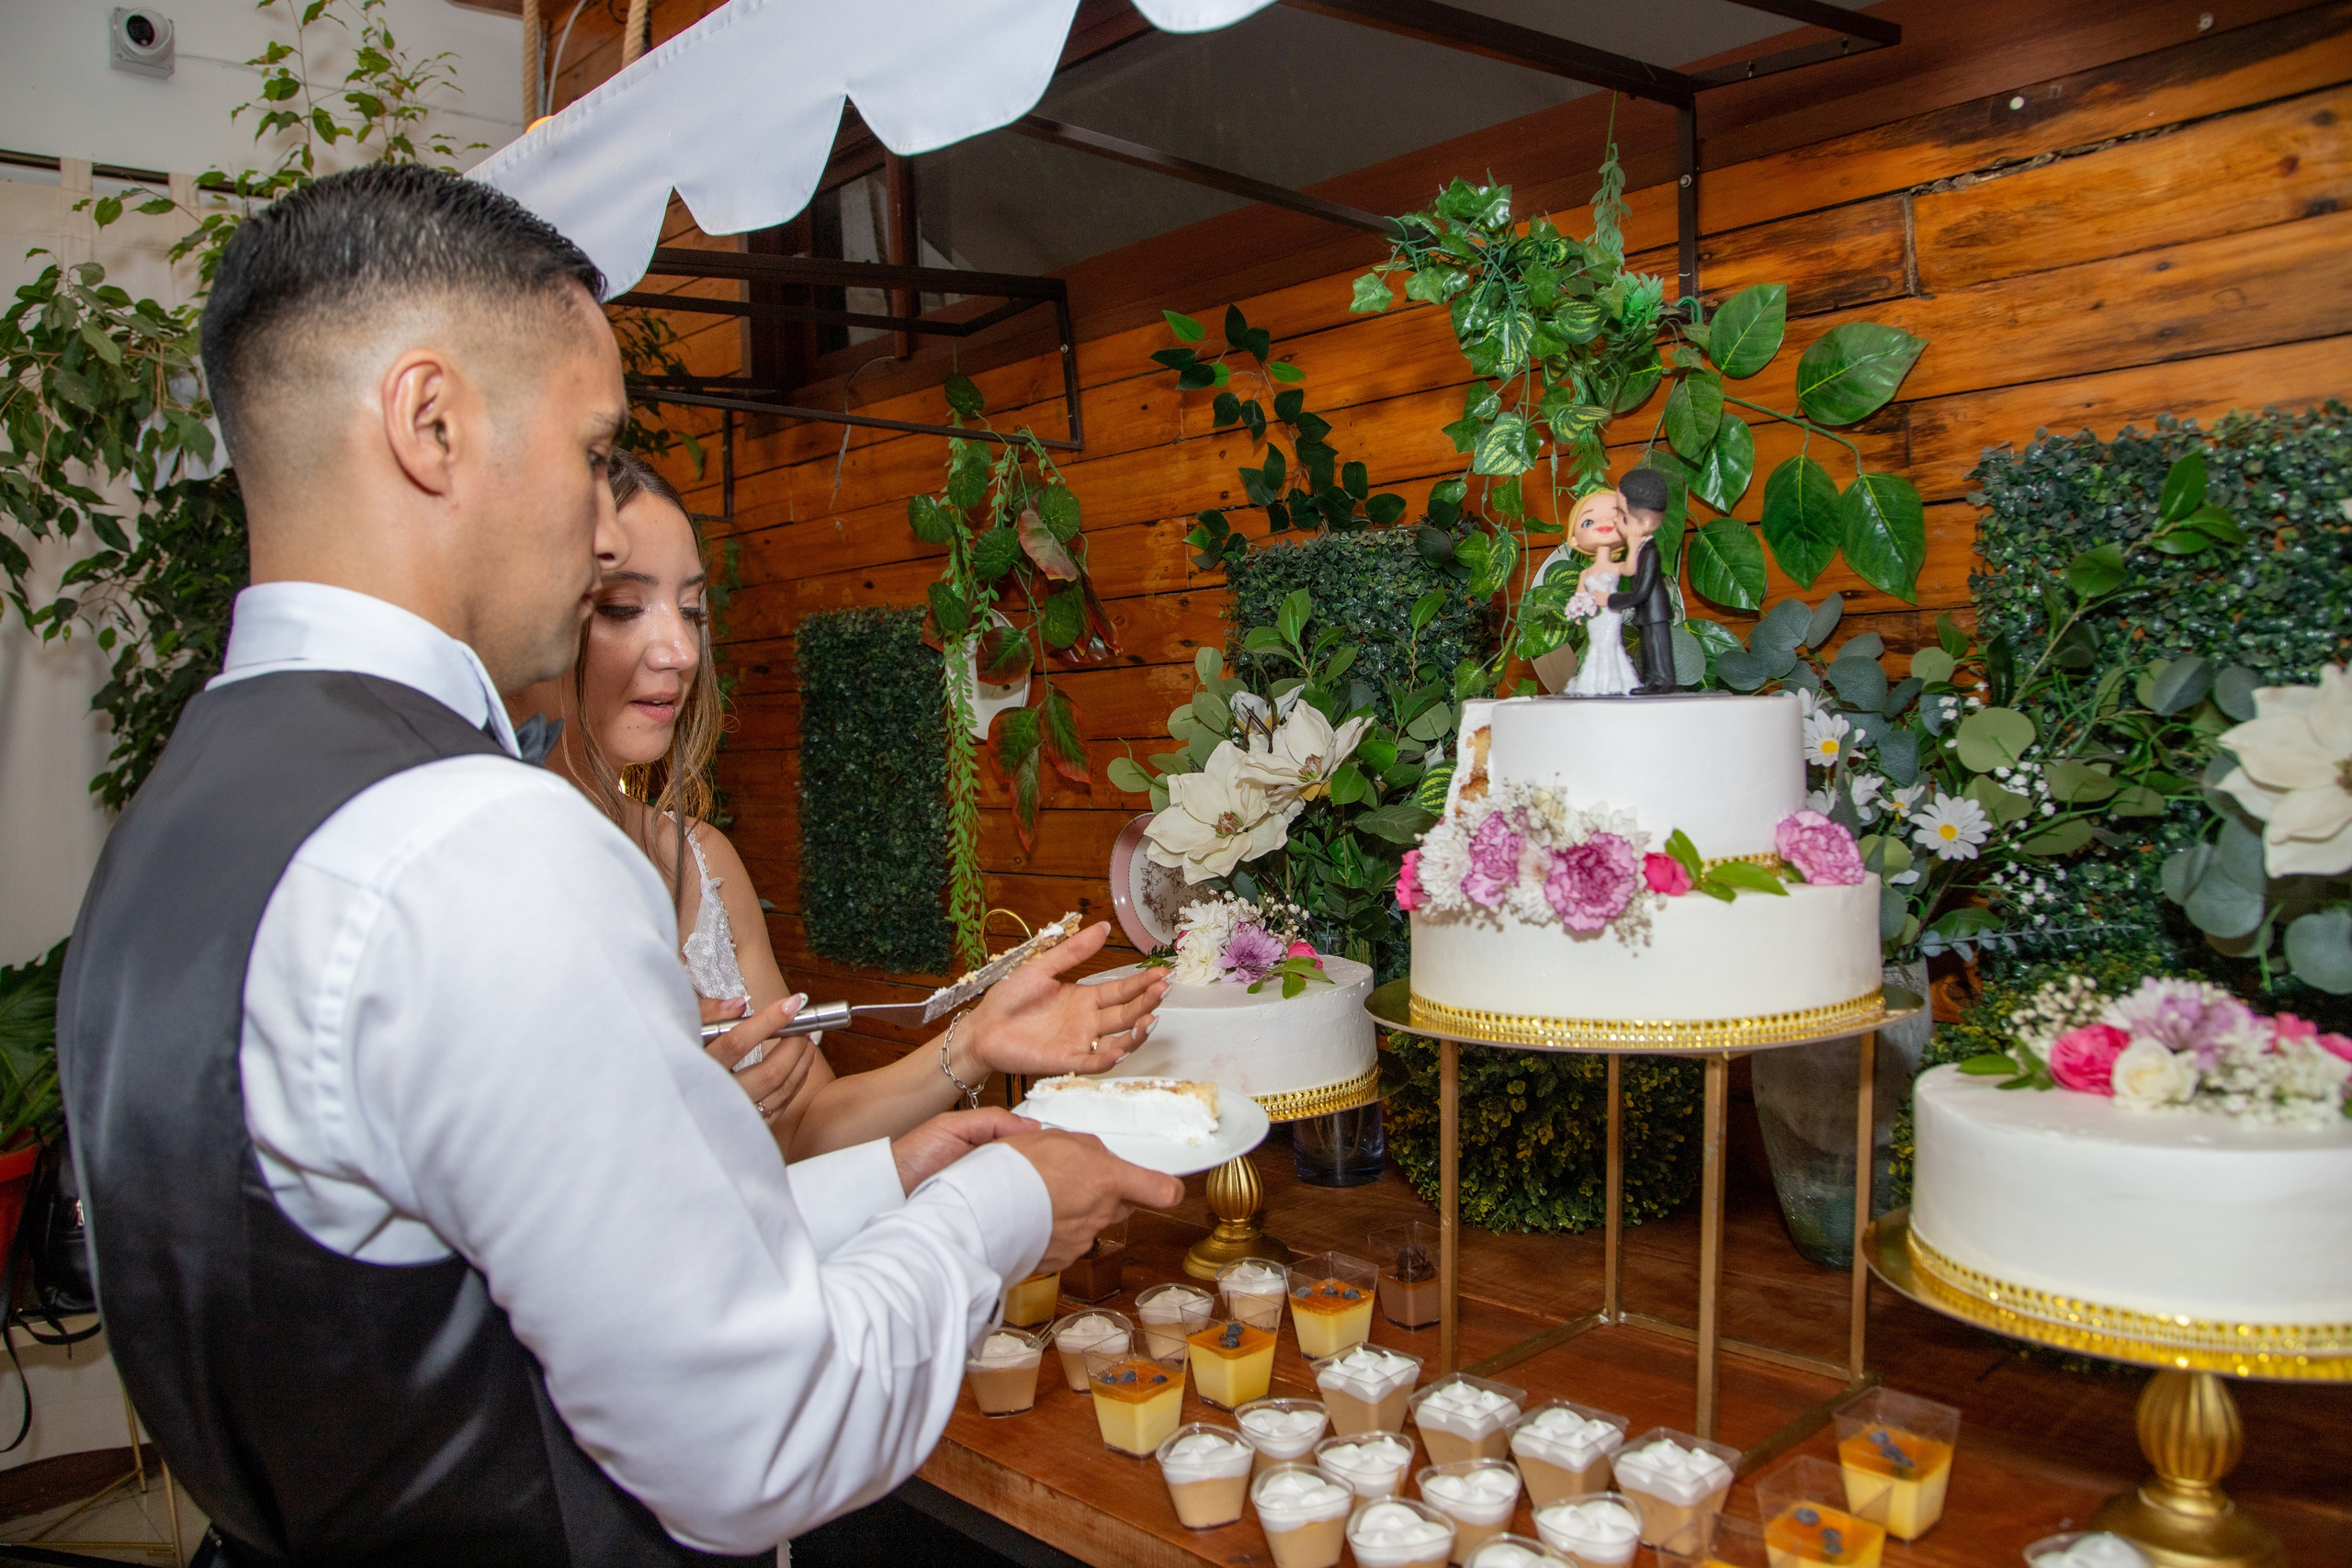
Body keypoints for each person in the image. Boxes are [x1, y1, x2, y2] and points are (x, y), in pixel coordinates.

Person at [56, 164, 1182, 1566]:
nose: (603, 530)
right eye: (597, 453)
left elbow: (479, 1292)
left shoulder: (184, 810)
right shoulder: (470, 835)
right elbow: (763, 1437)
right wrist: (1010, 1201)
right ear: (430, 422)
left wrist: (883, 1176)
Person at [504, 451, 1164, 1155]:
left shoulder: (701, 859)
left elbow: (807, 1123)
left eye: (692, 610)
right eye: (622, 608)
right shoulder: (487, 877)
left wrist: (974, 1041)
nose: (680, 648)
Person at [1605, 467, 1679, 694]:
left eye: (1622, 516)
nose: (1616, 520)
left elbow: (1642, 593)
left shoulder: (1650, 553)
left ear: (1645, 524)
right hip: (1649, 611)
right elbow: (1630, 570)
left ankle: (1662, 682)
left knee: (1657, 647)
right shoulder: (1640, 549)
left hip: (1654, 609)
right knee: (1649, 647)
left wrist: (1610, 600)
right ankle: (1651, 681)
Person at [1561, 489, 1639, 699]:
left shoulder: (1616, 567)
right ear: (1575, 540)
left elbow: (1631, 569)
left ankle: (1615, 683)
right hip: (1595, 617)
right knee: (1597, 645)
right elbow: (1580, 594)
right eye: (1588, 522)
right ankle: (1595, 684)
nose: (1603, 521)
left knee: (1610, 643)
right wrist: (1578, 611)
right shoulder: (1586, 572)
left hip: (1610, 614)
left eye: (1614, 517)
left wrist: (1633, 545)